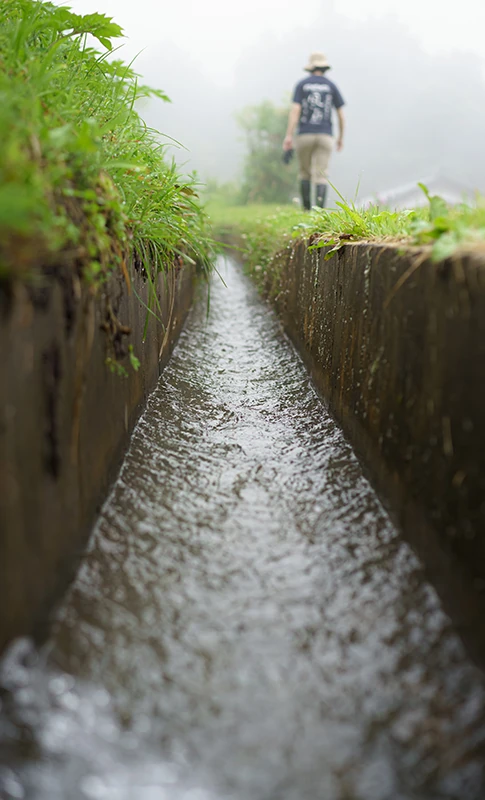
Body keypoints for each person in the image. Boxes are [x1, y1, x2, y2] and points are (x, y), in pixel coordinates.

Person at [283, 52, 345, 210]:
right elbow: (341, 115)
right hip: (325, 134)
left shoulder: (302, 85)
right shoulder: (331, 86)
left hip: (305, 133)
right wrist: (340, 137)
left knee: (305, 173)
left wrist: (289, 136)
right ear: (324, 68)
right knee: (321, 174)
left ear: (311, 68)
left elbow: (295, 111)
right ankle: (319, 213)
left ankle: (306, 210)